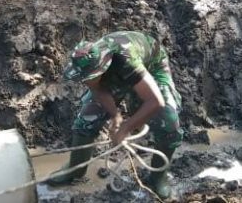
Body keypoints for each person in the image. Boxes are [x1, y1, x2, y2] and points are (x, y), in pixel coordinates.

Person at [48, 31, 182, 199]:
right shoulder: (90, 64)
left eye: (88, 78)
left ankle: (158, 177)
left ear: (99, 70)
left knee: (169, 123)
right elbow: (98, 89)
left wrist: (125, 128)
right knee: (86, 120)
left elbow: (155, 101)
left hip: (151, 66)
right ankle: (76, 169)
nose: (85, 82)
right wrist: (116, 116)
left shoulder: (125, 60)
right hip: (115, 72)